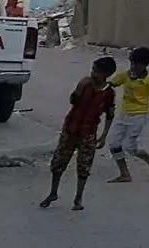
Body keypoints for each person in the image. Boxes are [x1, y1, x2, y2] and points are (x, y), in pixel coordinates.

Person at [40, 55, 117, 211]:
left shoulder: (109, 93)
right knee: (58, 162)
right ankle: (53, 192)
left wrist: (103, 135)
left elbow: (109, 114)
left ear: (106, 74)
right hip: (71, 128)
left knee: (84, 167)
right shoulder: (85, 84)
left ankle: (78, 198)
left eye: (97, 71)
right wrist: (79, 89)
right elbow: (73, 101)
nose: (93, 73)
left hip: (88, 132)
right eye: (93, 70)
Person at [107, 46, 149, 181]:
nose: (132, 67)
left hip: (139, 115)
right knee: (114, 144)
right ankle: (124, 173)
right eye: (131, 63)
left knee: (129, 146)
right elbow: (113, 83)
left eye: (136, 64)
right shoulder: (126, 75)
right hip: (124, 114)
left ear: (145, 65)